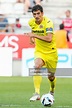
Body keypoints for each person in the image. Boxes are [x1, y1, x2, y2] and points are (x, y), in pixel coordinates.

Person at [27, 5, 58, 102]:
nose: (36, 16)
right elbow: (33, 29)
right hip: (40, 51)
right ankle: (36, 93)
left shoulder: (48, 23)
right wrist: (31, 38)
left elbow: (49, 39)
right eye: (34, 14)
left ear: (42, 13)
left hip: (51, 53)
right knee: (36, 66)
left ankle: (52, 90)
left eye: (38, 13)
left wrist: (34, 35)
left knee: (51, 76)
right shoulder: (31, 22)